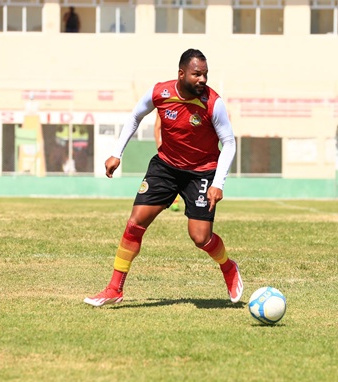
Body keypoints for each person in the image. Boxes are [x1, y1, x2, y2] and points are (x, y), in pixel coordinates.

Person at [84, 49, 243, 307]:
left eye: (205, 74)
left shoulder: (213, 103)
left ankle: (228, 267)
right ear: (181, 74)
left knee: (200, 237)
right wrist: (116, 153)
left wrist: (218, 183)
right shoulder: (160, 92)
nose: (202, 80)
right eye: (196, 74)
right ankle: (114, 288)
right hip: (166, 167)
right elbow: (135, 116)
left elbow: (229, 142)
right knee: (135, 223)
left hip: (201, 171)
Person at [153, 112, 181, 211]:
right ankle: (172, 201)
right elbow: (157, 126)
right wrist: (159, 145)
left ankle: (175, 201)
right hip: (169, 151)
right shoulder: (165, 103)